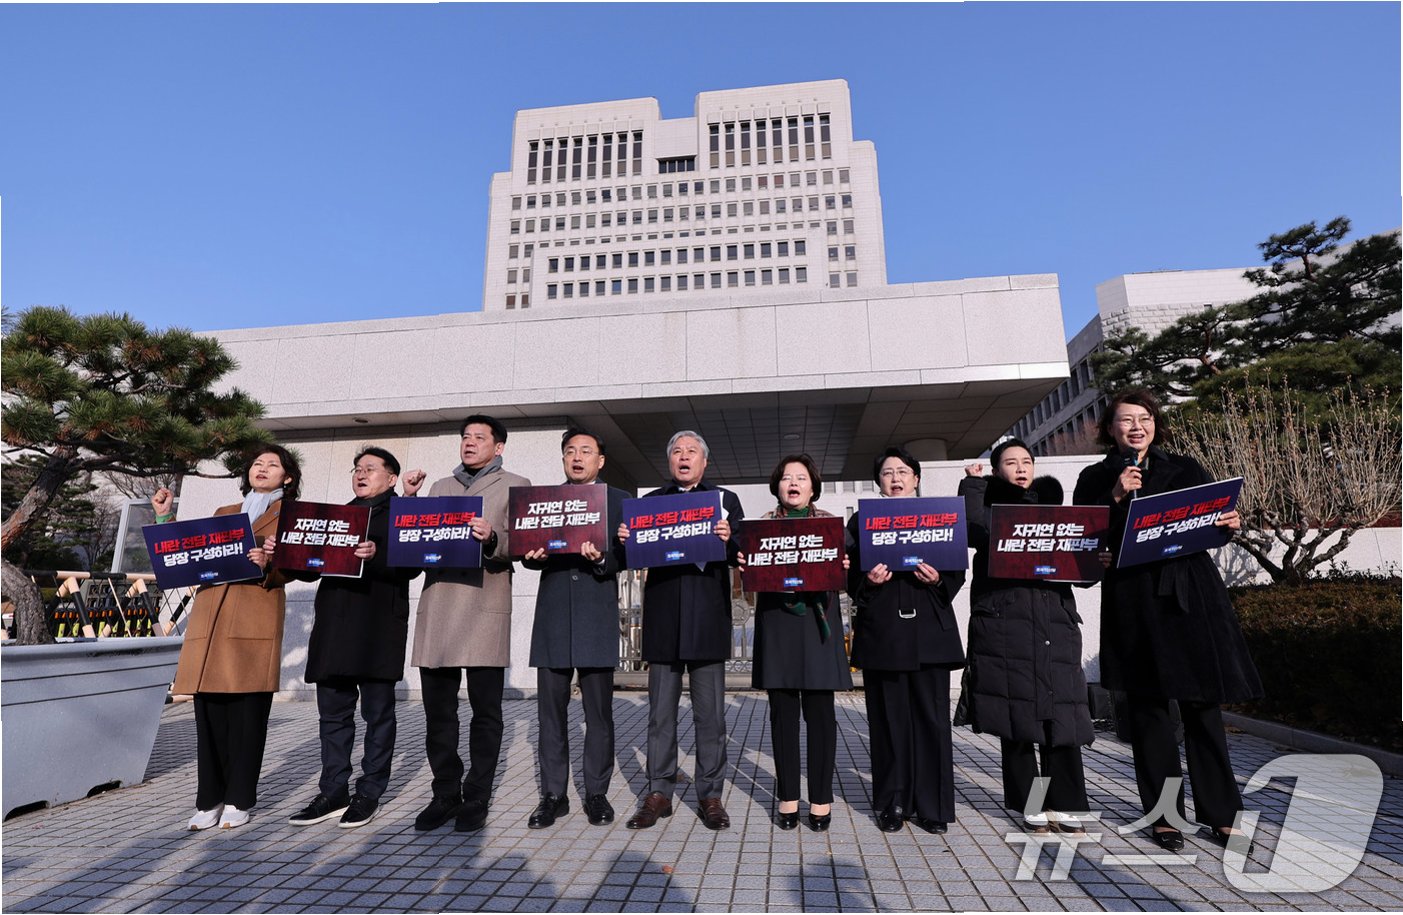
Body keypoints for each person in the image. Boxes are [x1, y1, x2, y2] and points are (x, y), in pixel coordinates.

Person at [1073, 389, 1262, 852]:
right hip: (1134, 600)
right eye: (1126, 419)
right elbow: (1083, 538)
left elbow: (1211, 525)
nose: (1136, 426)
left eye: (1145, 418)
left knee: (1202, 707)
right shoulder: (1094, 477)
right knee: (1149, 711)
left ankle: (1222, 815)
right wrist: (1116, 496)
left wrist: (1228, 526)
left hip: (1190, 596)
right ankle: (1164, 816)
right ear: (1110, 429)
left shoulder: (1185, 467)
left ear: (1155, 424)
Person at [152, 445, 302, 831]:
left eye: (272, 464)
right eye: (257, 463)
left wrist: (271, 563)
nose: (262, 468)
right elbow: (186, 553)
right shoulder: (225, 513)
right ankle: (208, 800)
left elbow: (304, 565)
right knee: (209, 717)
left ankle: (239, 798)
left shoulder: (292, 515)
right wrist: (165, 516)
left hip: (253, 619)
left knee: (247, 719)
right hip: (211, 621)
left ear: (287, 476)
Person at [400, 415, 531, 832]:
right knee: (439, 713)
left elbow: (523, 543)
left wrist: (493, 537)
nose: (470, 443)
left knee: (485, 712)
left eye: (479, 437)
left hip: (484, 606)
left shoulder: (517, 484)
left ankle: (476, 795)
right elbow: (413, 541)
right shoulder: (440, 487)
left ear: (499, 447)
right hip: (440, 608)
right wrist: (409, 500)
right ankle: (444, 793)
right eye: (465, 437)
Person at [958, 439, 1093, 835]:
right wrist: (973, 486)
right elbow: (973, 529)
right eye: (1010, 462)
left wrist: (1094, 562)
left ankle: (1067, 804)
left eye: (1026, 461)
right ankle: (1032, 804)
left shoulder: (1056, 512)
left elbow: (1081, 569)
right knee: (1016, 719)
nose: (1020, 468)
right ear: (996, 470)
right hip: (1007, 626)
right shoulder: (988, 509)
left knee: (1063, 716)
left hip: (1055, 622)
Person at [284, 446, 421, 829]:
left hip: (377, 629)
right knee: (333, 717)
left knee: (378, 716)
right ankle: (332, 792)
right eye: (357, 468)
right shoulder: (334, 517)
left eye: (370, 469)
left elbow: (412, 566)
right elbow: (308, 568)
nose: (361, 474)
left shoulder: (401, 514)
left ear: (391, 479)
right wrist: (286, 551)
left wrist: (377, 553)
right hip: (334, 629)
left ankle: (369, 793)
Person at [617, 430, 743, 831]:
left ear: (704, 462)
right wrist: (625, 540)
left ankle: (710, 795)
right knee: (660, 716)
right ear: (669, 461)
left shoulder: (724, 502)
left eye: (691, 451)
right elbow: (627, 556)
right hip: (664, 619)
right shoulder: (650, 504)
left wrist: (730, 539)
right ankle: (659, 792)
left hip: (707, 619)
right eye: (676, 451)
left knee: (711, 718)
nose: (683, 457)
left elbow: (742, 552)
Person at [846, 446, 965, 834]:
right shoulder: (861, 522)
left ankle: (932, 806)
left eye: (902, 471)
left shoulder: (939, 515)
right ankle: (892, 803)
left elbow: (957, 569)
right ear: (878, 482)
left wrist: (939, 579)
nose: (895, 478)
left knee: (932, 722)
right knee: (888, 723)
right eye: (887, 473)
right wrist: (868, 581)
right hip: (884, 635)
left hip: (930, 633)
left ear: (916, 478)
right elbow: (848, 577)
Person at [520, 428, 628, 829]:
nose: (577, 457)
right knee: (550, 714)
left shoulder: (619, 500)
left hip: (596, 617)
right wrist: (532, 557)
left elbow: (629, 554)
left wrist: (602, 558)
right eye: (570, 451)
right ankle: (553, 795)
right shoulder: (544, 501)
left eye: (586, 451)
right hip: (553, 618)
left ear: (601, 460)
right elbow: (527, 549)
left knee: (599, 714)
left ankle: (596, 793)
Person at [743, 454, 853, 832]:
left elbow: (849, 579)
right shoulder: (760, 529)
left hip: (818, 626)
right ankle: (788, 797)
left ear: (813, 487)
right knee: (783, 717)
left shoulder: (832, 527)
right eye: (786, 477)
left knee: (821, 718)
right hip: (778, 624)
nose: (793, 483)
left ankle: (821, 799)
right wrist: (745, 566)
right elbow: (745, 586)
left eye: (801, 478)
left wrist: (845, 569)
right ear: (777, 486)